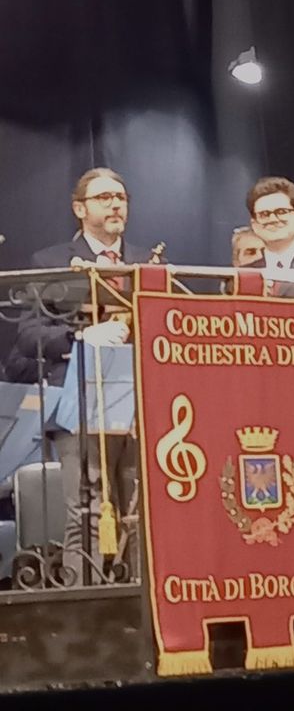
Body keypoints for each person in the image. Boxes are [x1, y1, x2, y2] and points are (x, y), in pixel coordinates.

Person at [7, 168, 154, 581]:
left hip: (141, 398)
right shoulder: (50, 262)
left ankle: (140, 593)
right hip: (79, 397)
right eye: (104, 197)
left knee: (141, 507)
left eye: (121, 197)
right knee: (86, 507)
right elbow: (29, 335)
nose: (115, 205)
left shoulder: (148, 260)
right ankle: (85, 595)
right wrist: (81, 336)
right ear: (79, 209)